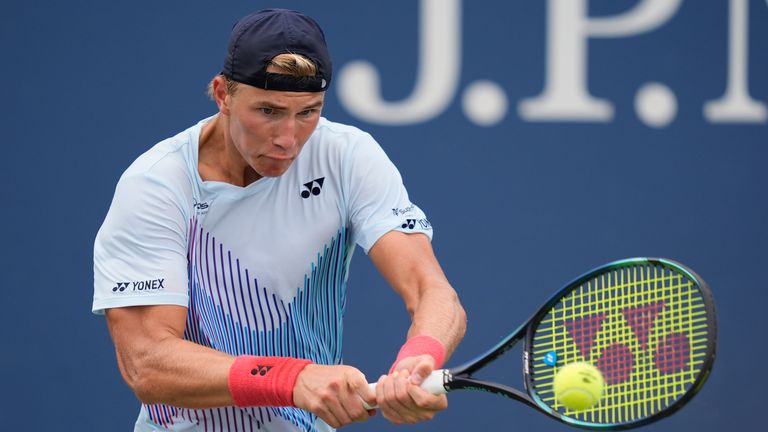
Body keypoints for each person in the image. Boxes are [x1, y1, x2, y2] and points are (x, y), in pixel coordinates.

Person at [92, 8, 466, 432]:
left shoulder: (347, 156)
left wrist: (418, 358)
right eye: (268, 111)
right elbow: (147, 362)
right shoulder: (157, 185)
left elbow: (433, 291)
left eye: (308, 112)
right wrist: (291, 379)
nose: (288, 139)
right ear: (222, 94)